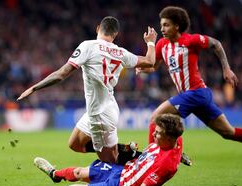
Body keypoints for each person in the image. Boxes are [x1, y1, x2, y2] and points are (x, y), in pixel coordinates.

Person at [17, 16, 157, 163]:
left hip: (99, 114)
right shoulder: (121, 53)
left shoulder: (88, 46)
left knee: (110, 165)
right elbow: (149, 61)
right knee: (75, 144)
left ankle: (145, 163)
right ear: (115, 35)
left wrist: (34, 88)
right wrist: (151, 42)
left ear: (98, 29)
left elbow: (61, 74)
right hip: (106, 107)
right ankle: (124, 149)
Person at [136, 6, 242, 145]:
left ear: (177, 26)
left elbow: (216, 44)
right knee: (228, 132)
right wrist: (142, 67)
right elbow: (153, 66)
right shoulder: (162, 44)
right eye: (161, 25)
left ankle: (149, 159)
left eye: (166, 25)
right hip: (192, 96)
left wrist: (226, 68)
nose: (162, 29)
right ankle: (167, 153)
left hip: (197, 92)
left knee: (156, 117)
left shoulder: (191, 40)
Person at [34, 113, 184, 186]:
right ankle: (55, 174)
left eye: (157, 133)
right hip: (121, 170)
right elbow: (171, 149)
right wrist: (181, 156)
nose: (153, 134)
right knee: (79, 172)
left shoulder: (167, 165)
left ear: (170, 139)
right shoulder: (172, 141)